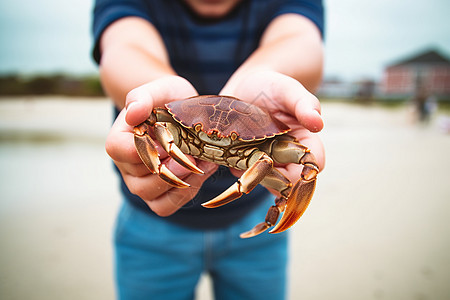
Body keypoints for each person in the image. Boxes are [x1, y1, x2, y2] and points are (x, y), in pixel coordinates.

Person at [92, 0, 326, 299]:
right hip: (149, 228)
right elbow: (125, 48)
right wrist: (152, 91)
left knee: (306, 166)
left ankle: (269, 221)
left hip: (253, 223)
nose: (217, 137)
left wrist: (258, 80)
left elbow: (299, 40)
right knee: (144, 122)